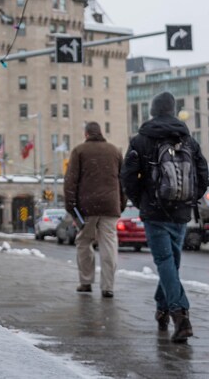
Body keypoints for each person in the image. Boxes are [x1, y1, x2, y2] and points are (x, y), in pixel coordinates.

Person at [121, 92, 209, 343]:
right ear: (173, 110)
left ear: (152, 111)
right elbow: (204, 177)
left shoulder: (140, 140)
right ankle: (162, 308)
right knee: (170, 263)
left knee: (165, 262)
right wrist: (190, 198)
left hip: (155, 212)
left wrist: (142, 202)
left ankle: (180, 316)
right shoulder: (189, 141)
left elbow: (127, 177)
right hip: (180, 212)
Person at [63, 121, 125, 298]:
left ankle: (86, 281)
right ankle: (108, 287)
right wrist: (120, 204)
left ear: (86, 134)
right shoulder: (114, 151)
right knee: (109, 245)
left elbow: (71, 181)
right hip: (110, 206)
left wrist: (71, 206)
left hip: (87, 207)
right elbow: (122, 182)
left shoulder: (79, 151)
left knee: (84, 242)